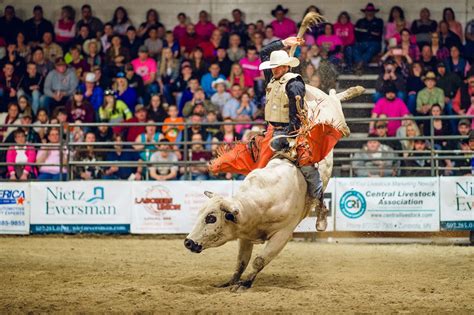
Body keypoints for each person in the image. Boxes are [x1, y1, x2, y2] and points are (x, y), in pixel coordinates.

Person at [259, 36, 328, 231]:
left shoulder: (294, 84)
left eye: (278, 66)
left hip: (293, 130)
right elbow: (263, 52)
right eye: (273, 66)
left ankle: (320, 204)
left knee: (305, 163)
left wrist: (287, 135)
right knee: (253, 156)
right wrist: (284, 43)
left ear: (286, 67)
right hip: (273, 129)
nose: (274, 69)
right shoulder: (271, 78)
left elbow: (297, 116)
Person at [353, 3, 384, 74]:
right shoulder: (360, 21)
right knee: (354, 48)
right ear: (365, 12)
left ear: (374, 12)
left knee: (370, 50)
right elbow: (357, 34)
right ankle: (360, 67)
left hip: (374, 43)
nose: (369, 13)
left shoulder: (379, 21)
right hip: (362, 43)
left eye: (371, 11)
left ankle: (359, 66)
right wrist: (370, 32)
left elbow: (378, 34)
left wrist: (365, 31)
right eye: (368, 11)